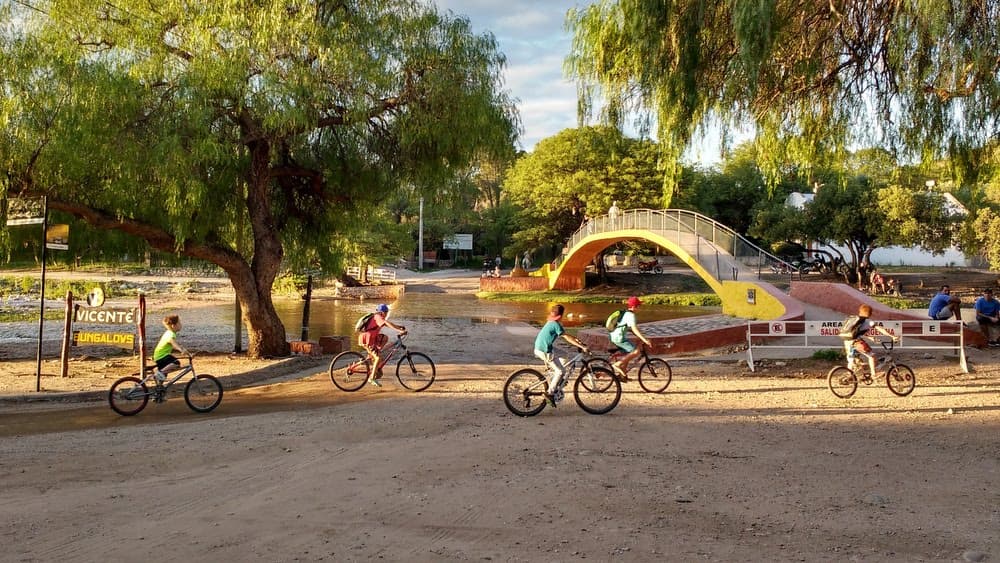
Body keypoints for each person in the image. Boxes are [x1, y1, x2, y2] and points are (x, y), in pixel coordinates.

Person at [533, 304, 589, 406]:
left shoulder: (551, 322)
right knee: (560, 371)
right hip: (544, 350)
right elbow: (566, 337)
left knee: (564, 354)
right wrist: (581, 346)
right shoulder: (555, 324)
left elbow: (565, 334)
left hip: (541, 347)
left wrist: (575, 339)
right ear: (561, 315)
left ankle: (558, 379)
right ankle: (550, 393)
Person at [843, 304, 898, 378]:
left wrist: (871, 337)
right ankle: (874, 374)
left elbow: (857, 332)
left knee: (851, 360)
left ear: (860, 311)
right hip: (855, 342)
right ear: (870, 313)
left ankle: (849, 377)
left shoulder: (856, 320)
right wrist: (892, 336)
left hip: (846, 340)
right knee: (872, 356)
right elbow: (880, 329)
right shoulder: (868, 321)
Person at [358, 303, 407, 387]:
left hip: (372, 338)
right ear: (383, 312)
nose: (387, 314)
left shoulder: (378, 317)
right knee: (378, 358)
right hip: (368, 339)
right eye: (386, 312)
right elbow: (386, 323)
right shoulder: (378, 317)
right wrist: (399, 331)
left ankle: (376, 353)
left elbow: (388, 323)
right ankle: (371, 378)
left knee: (385, 338)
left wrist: (399, 327)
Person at [608, 296, 654, 382]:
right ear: (634, 306)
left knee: (628, 354)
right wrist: (645, 340)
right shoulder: (631, 315)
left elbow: (627, 327)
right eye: (638, 306)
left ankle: (622, 375)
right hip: (619, 338)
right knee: (636, 351)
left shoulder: (626, 313)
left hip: (613, 336)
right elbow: (635, 329)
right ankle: (618, 364)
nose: (639, 308)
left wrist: (639, 335)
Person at [153, 315, 189, 383]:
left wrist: (186, 351)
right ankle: (158, 373)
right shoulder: (170, 334)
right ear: (173, 326)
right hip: (162, 356)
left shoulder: (169, 332)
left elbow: (176, 344)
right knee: (176, 363)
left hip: (159, 355)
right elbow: (174, 344)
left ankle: (159, 390)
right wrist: (181, 350)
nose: (181, 324)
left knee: (163, 376)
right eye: (179, 323)